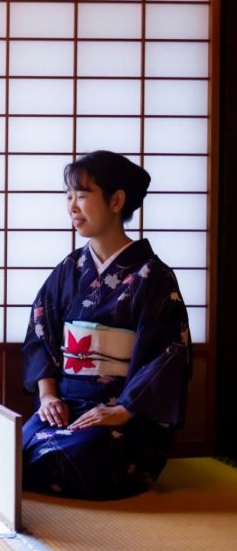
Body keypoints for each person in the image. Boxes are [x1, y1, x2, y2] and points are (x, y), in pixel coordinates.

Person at [21, 150, 191, 500]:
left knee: (84, 455)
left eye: (82, 196)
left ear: (116, 201)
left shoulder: (153, 276)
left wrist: (122, 410)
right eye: (68, 196)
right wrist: (48, 397)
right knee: (17, 451)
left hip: (122, 413)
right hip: (67, 406)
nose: (72, 207)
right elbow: (41, 333)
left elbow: (169, 354)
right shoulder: (68, 270)